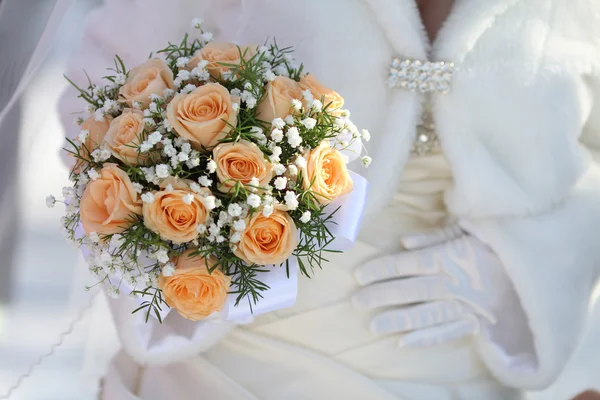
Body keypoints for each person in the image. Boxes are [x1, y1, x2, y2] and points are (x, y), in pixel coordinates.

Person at [59, 0, 600, 399]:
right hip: (233, 366)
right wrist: (200, 254)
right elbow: (99, 98)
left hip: (458, 362)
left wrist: (526, 270)